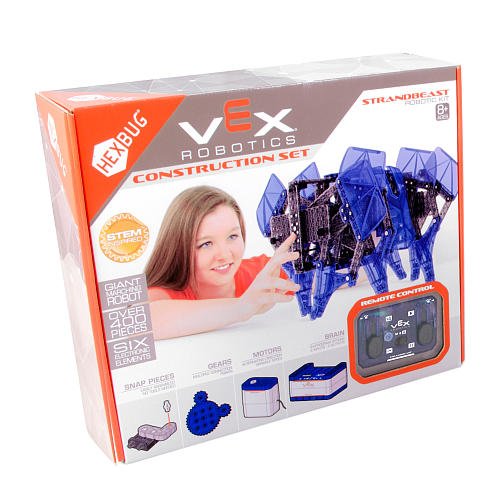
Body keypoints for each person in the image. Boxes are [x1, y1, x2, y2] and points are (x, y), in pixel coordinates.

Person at [146, 186, 300, 340]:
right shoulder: (165, 294)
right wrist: (242, 307)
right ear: (179, 249)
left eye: (232, 236)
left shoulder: (264, 272)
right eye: (206, 244)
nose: (225, 255)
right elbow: (146, 321)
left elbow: (310, 280)